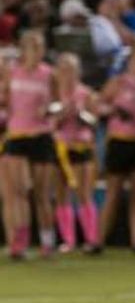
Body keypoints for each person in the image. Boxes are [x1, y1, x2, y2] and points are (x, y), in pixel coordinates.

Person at [0, 30, 57, 258]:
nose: (37, 52)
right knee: (20, 190)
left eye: (40, 47)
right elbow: (6, 102)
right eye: (33, 47)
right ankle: (20, 241)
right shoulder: (11, 73)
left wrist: (50, 111)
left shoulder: (48, 74)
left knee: (42, 194)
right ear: (24, 51)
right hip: (17, 135)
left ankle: (47, 240)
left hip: (41, 136)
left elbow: (59, 104)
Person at [97, 46, 135, 253]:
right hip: (120, 140)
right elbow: (99, 106)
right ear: (130, 63)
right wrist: (114, 110)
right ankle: (99, 239)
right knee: (113, 192)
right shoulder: (118, 83)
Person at [51, 53, 100, 253]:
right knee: (61, 194)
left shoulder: (85, 93)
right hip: (61, 148)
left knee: (83, 193)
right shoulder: (54, 95)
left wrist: (81, 115)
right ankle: (68, 240)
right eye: (63, 69)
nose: (67, 74)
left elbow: (95, 121)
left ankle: (90, 238)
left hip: (81, 146)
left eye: (71, 69)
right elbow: (49, 122)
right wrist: (61, 115)